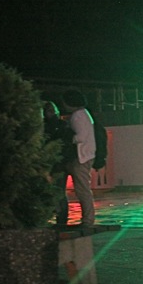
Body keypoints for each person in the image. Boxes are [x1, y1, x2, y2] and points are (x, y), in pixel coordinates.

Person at [61, 89, 96, 226]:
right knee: (83, 189)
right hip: (87, 155)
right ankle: (88, 218)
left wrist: (68, 139)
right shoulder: (85, 114)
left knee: (82, 190)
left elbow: (80, 137)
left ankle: (87, 219)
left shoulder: (77, 116)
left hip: (81, 156)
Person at [42, 101, 75, 226]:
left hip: (54, 164)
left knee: (57, 191)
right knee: (59, 191)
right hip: (59, 164)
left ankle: (58, 218)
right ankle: (61, 218)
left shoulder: (47, 126)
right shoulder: (62, 125)